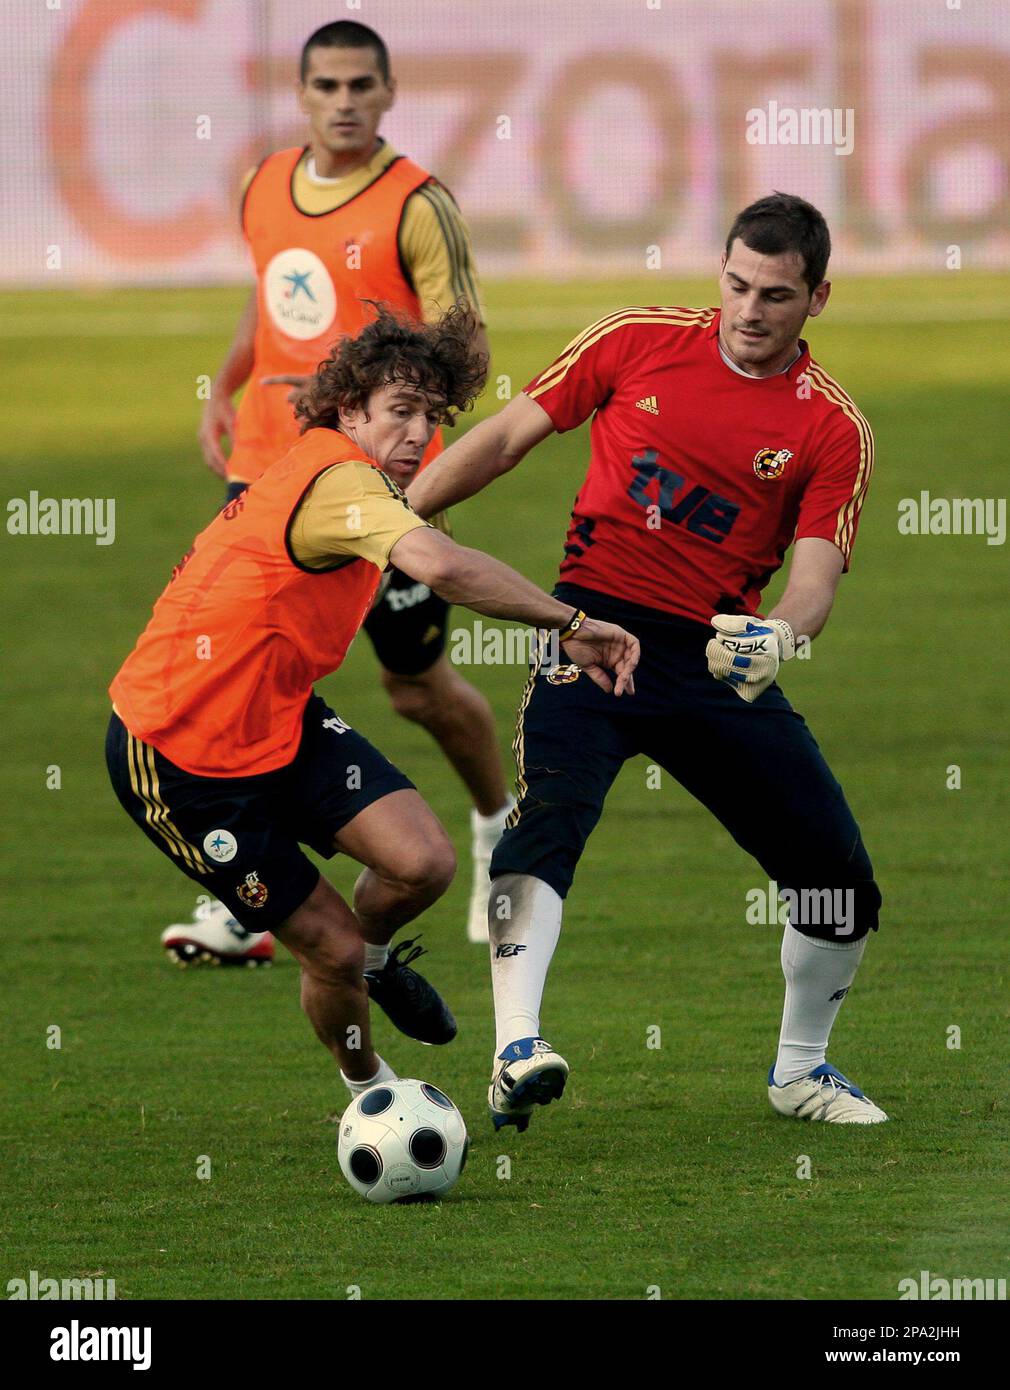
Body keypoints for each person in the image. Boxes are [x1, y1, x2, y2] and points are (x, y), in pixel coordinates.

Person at [407, 193, 887, 1132]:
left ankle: (800, 1072)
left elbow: (815, 582)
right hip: (589, 632)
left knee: (840, 882)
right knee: (550, 817)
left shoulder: (833, 429)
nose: (751, 310)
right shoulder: (634, 340)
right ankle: (514, 1049)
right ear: (721, 271)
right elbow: (507, 437)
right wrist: (402, 514)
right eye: (738, 284)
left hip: (715, 660)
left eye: (778, 295)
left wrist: (777, 638)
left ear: (818, 299)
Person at [107, 306, 639, 1096]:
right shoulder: (339, 485)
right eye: (401, 411)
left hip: (277, 719)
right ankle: (375, 1096)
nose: (421, 432)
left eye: (433, 415)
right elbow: (446, 569)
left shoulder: (358, 480)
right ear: (349, 410)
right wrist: (574, 623)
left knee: (422, 862)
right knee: (330, 948)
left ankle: (378, 958)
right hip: (178, 753)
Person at [164, 18, 507, 968]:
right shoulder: (261, 184)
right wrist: (229, 382)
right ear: (303, 94)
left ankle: (494, 832)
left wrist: (411, 462)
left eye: (363, 85)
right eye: (327, 86)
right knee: (246, 670)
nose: (345, 102)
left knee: (413, 688)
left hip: (379, 482)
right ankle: (253, 890)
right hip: (270, 474)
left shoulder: (418, 206)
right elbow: (271, 292)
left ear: (389, 94)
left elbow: (459, 350)